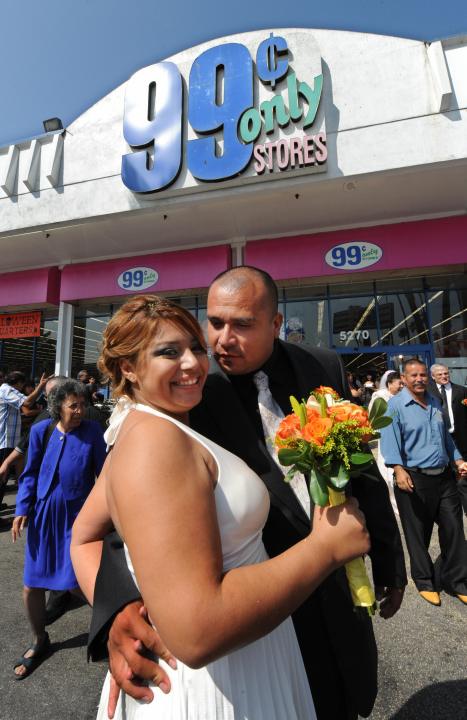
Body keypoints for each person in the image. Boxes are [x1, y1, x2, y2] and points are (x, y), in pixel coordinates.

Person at [88, 268, 407, 720]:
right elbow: (126, 513)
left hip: (337, 587)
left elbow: (362, 472)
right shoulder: (191, 393)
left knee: (346, 697)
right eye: (215, 323)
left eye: (242, 325)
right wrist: (118, 604)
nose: (221, 340)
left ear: (276, 324)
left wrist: (391, 558)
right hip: (256, 609)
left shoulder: (323, 367)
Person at [12, 379, 106, 678]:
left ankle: (118, 630)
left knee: (80, 582)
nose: (80, 411)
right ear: (58, 407)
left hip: (78, 519)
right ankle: (40, 639)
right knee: (32, 586)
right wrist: (22, 509)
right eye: (73, 405)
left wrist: (106, 516)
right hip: (43, 517)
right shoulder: (42, 431)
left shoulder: (94, 433)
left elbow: (104, 477)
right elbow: (30, 474)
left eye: (82, 404)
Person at [380, 358, 467, 607]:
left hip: (444, 478)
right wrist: (398, 469)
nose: (419, 379)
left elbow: (446, 440)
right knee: (418, 533)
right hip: (413, 478)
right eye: (413, 375)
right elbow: (390, 442)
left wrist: (458, 460)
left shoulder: (434, 402)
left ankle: (456, 580)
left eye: (422, 375)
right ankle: (425, 580)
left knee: (454, 529)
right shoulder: (395, 406)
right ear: (404, 379)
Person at [0, 371, 51, 507]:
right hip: (4, 440)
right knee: (2, 475)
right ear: (19, 383)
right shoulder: (6, 390)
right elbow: (27, 403)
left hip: (9, 439)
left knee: (4, 475)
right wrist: (41, 386)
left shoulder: (7, 390)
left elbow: (28, 400)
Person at [429, 363, 467, 515]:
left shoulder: (461, 391)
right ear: (433, 377)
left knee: (464, 472)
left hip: (461, 437)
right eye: (440, 375)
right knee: (448, 473)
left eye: (446, 373)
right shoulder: (428, 392)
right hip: (441, 438)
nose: (444, 376)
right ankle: (451, 504)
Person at [368, 371, 404, 514]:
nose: (402, 386)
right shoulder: (379, 398)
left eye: (402, 383)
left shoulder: (403, 396)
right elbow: (374, 419)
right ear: (389, 384)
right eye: (399, 383)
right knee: (388, 469)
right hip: (386, 436)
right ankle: (394, 503)